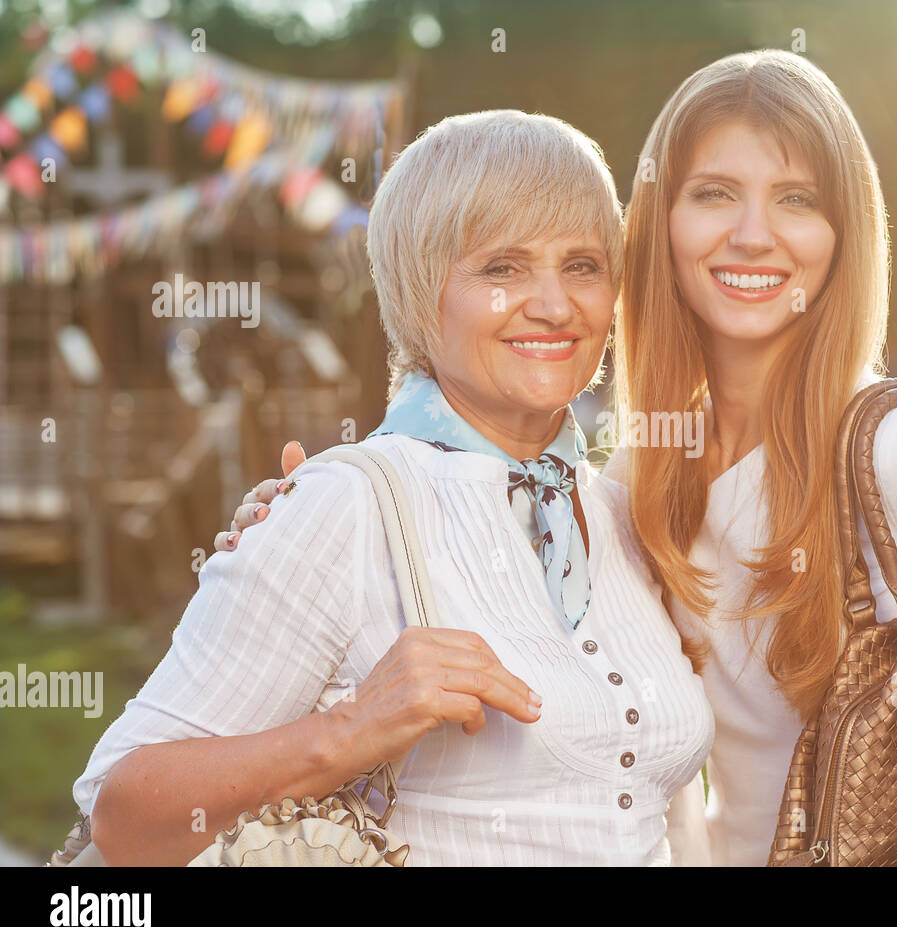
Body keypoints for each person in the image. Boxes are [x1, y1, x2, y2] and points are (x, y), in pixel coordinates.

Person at [226, 51, 897, 867]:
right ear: (660, 223)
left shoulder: (891, 447)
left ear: (841, 234)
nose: (753, 234)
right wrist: (311, 511)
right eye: (714, 194)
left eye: (796, 198)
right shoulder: (639, 480)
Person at [72, 109, 714, 867]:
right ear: (420, 292)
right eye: (502, 267)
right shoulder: (343, 506)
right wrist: (348, 730)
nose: (553, 303)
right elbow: (122, 816)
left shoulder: (623, 515)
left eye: (583, 264)